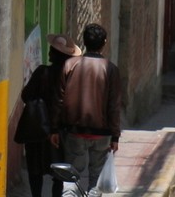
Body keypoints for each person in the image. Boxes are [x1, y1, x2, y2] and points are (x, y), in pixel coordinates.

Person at [51, 24, 122, 193]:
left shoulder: (70, 65)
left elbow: (58, 100)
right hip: (102, 134)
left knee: (70, 180)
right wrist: (115, 136)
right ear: (104, 43)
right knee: (95, 180)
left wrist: (54, 128)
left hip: (74, 131)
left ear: (84, 42)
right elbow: (114, 105)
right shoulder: (110, 69)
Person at [19, 34, 80, 197]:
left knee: (35, 169)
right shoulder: (70, 77)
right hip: (59, 130)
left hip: (37, 127)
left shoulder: (41, 72)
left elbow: (25, 95)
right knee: (59, 172)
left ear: (52, 54)